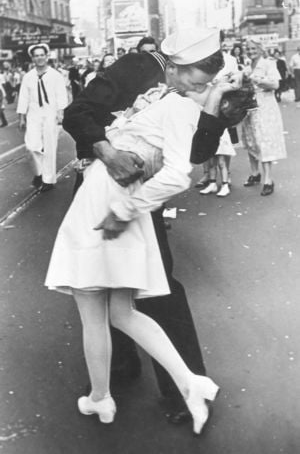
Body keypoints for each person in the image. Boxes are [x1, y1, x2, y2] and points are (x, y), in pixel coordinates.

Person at [46, 28, 227, 435]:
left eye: (207, 81)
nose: (201, 84)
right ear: (176, 64)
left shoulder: (191, 97)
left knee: (152, 287)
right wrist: (108, 152)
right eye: (198, 77)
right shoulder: (134, 66)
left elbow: (193, 155)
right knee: (110, 301)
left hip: (137, 198)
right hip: (105, 184)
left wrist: (214, 115)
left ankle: (177, 387)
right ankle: (115, 375)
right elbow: (78, 113)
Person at [17, 43, 68, 192]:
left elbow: (61, 95)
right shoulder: (28, 77)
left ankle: (48, 179)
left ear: (47, 56)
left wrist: (60, 114)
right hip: (33, 114)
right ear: (32, 58)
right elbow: (23, 98)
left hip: (50, 114)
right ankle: (39, 172)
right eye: (36, 56)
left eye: (42, 55)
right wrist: (21, 117)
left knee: (50, 147)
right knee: (31, 146)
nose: (39, 58)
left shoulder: (55, 75)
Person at [241, 39, 287, 196]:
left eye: (253, 48)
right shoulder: (247, 65)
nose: (250, 51)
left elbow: (275, 85)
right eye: (248, 48)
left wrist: (256, 79)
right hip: (250, 108)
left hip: (265, 108)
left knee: (264, 141)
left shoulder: (268, 64)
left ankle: (268, 179)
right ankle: (255, 173)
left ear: (260, 49)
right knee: (250, 140)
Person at [198, 40, 239, 197]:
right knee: (208, 146)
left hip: (225, 107)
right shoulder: (203, 60)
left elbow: (236, 83)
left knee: (224, 147)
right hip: (207, 105)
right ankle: (210, 178)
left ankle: (226, 179)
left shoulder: (231, 60)